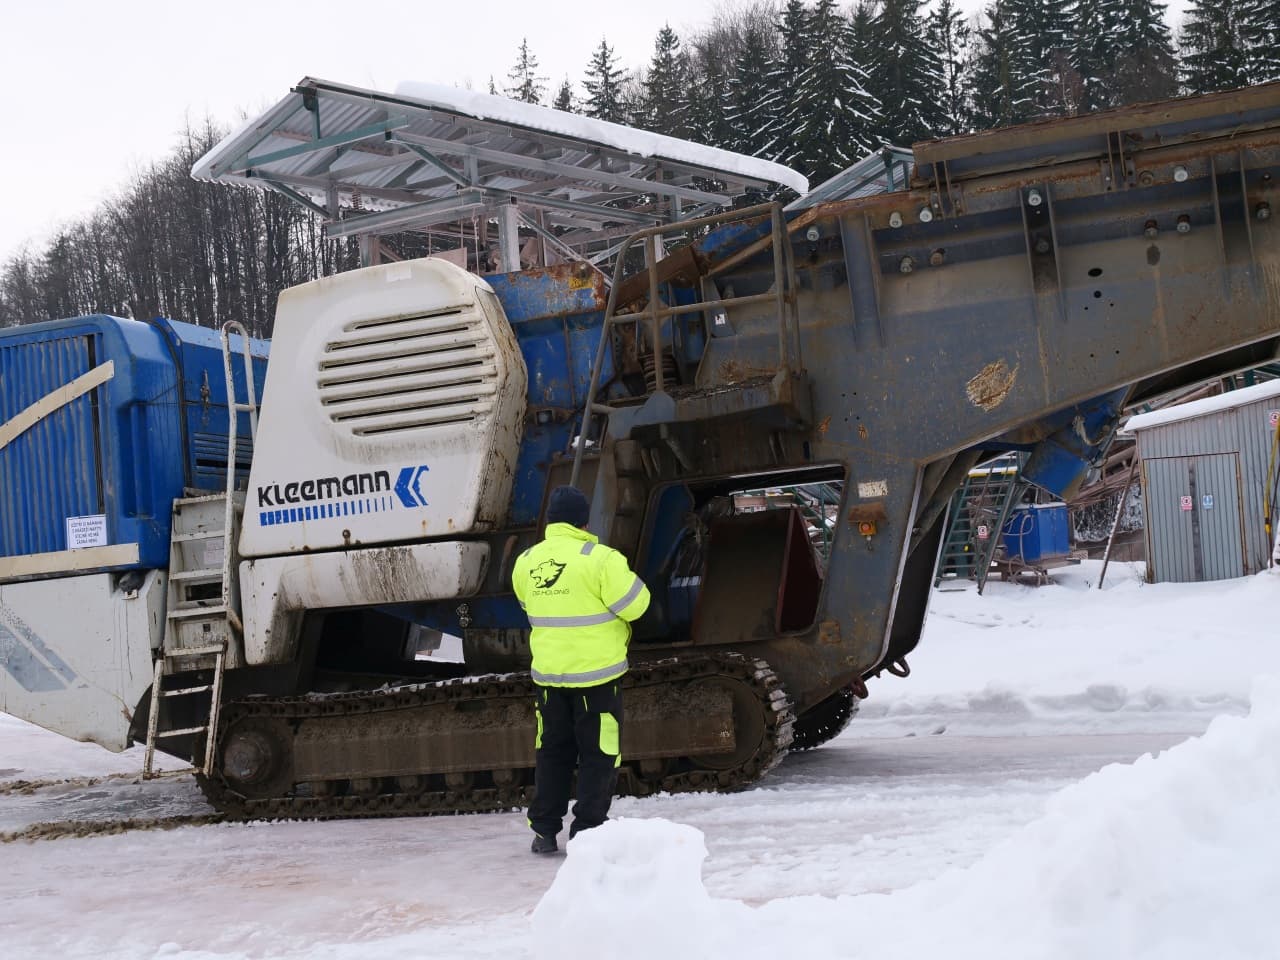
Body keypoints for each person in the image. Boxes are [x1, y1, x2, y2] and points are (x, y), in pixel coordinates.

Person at [512, 485, 650, 855]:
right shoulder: (601, 559)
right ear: (584, 522)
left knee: (552, 752)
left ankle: (544, 831)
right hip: (597, 678)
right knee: (599, 755)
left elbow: (527, 604)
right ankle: (587, 832)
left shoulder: (526, 561)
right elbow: (637, 606)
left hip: (549, 678)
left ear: (551, 521)